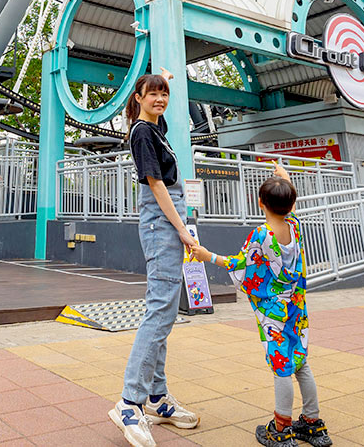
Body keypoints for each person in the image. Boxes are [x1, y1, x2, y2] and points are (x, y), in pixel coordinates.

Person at [191, 165, 333, 447]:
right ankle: (312, 422)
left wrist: (208, 256)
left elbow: (239, 263)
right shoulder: (294, 226)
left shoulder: (262, 235)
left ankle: (281, 429)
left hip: (274, 314)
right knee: (301, 362)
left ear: (260, 202)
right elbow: (291, 204)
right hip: (297, 309)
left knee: (281, 368)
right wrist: (285, 178)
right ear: (290, 204)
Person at [109, 72, 201, 447]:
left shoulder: (155, 129)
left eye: (164, 94)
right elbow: (157, 184)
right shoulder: (142, 132)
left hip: (165, 223)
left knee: (163, 311)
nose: (160, 99)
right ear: (139, 98)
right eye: (153, 94)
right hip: (161, 224)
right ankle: (130, 402)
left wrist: (163, 76)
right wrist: (182, 229)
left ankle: (158, 397)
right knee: (160, 311)